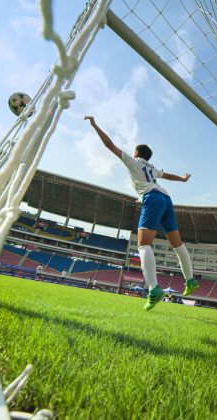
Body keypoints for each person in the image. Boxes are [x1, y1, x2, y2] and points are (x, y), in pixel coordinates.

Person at [85, 116, 199, 310]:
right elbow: (168, 176)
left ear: (136, 153)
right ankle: (190, 280)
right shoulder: (151, 167)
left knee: (143, 244)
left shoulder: (133, 161)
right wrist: (183, 179)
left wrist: (95, 125)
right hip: (166, 198)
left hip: (152, 197)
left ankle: (153, 289)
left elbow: (109, 144)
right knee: (177, 243)